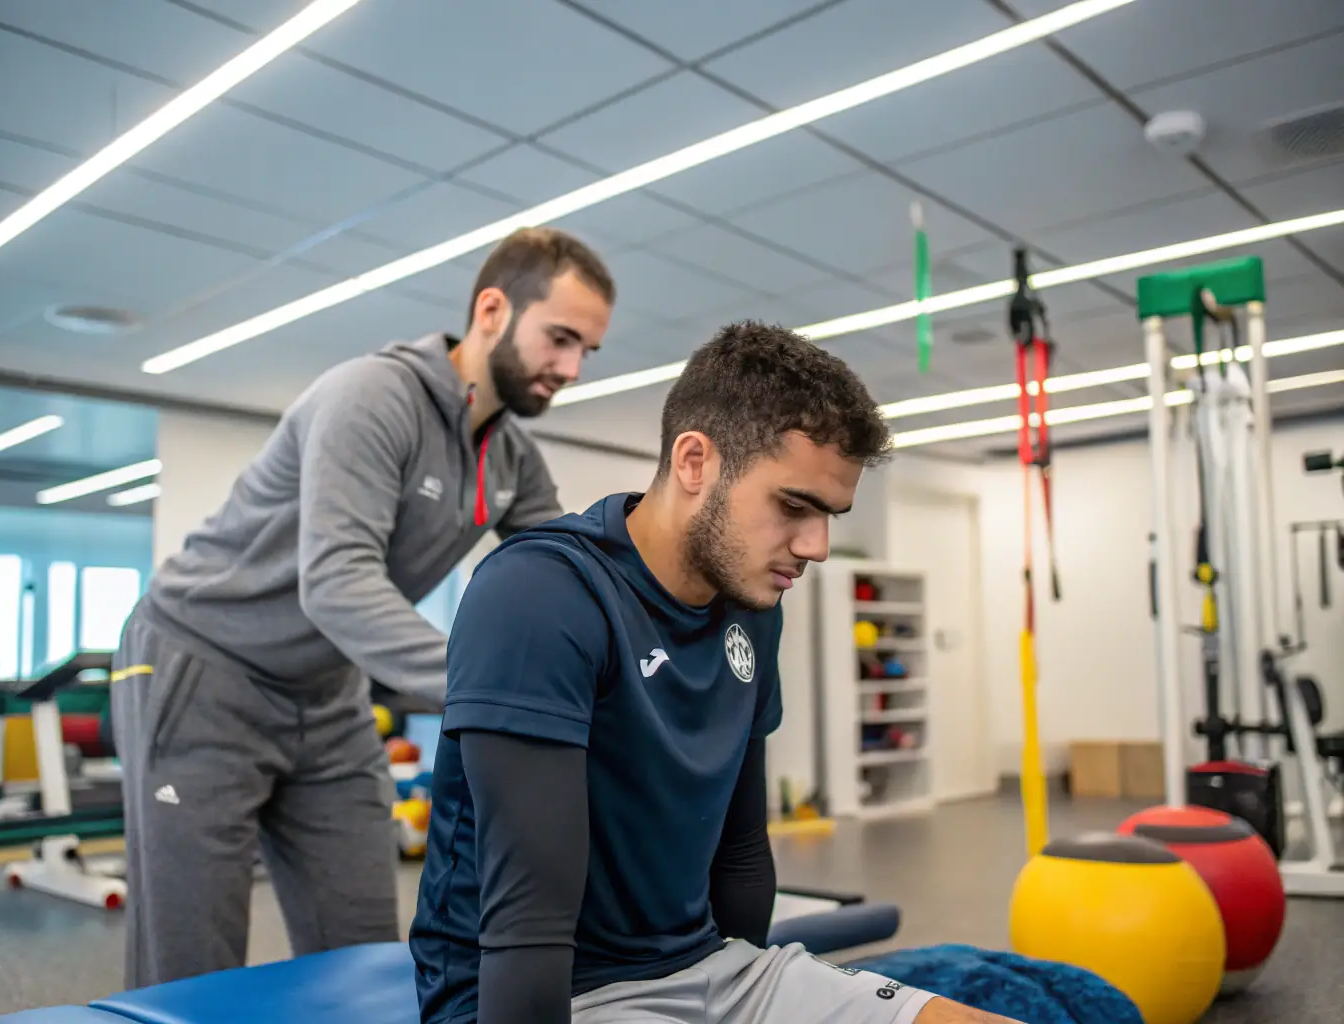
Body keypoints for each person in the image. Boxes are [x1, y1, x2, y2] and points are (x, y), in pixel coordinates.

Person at [408, 321, 1019, 1024]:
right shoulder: (541, 594)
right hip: (559, 994)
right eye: (794, 506)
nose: (816, 547)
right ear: (694, 461)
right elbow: (528, 921)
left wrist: (750, 990)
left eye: (830, 516)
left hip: (711, 967)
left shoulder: (753, 606)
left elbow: (741, 853)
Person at [109, 226, 615, 989]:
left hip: (326, 693)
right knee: (190, 967)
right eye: (560, 339)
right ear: (491, 309)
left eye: (587, 352)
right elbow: (338, 582)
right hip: (202, 669)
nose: (571, 369)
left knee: (361, 958)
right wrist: (488, 687)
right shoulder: (372, 397)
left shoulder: (510, 457)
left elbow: (568, 574)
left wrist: (637, 658)